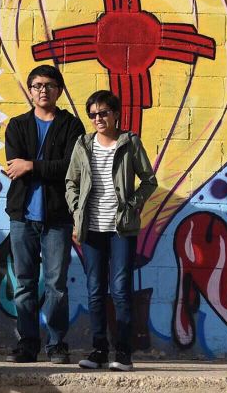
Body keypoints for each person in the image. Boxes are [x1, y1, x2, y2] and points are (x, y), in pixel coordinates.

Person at [65, 90, 157, 372]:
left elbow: (149, 181)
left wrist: (133, 203)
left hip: (121, 229)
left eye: (103, 113)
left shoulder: (129, 143)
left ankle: (123, 352)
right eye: (92, 114)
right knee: (94, 290)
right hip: (91, 228)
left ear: (116, 114)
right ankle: (98, 350)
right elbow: (71, 181)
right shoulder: (83, 144)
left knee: (120, 290)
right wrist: (76, 209)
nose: (98, 118)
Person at [2, 65, 84, 364]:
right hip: (22, 215)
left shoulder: (71, 126)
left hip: (58, 217)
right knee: (24, 282)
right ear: (30, 90)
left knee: (56, 284)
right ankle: (27, 344)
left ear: (59, 90)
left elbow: (71, 166)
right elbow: (14, 166)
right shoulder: (17, 125)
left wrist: (33, 165)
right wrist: (36, 165)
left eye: (49, 85)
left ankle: (57, 344)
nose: (43, 90)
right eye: (37, 85)